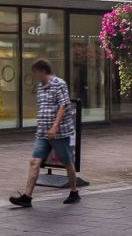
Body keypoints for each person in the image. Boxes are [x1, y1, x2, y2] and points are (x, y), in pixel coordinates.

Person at [9, 60, 80, 208]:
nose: (34, 76)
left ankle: (74, 192)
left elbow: (64, 105)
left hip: (59, 133)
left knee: (67, 162)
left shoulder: (59, 84)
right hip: (42, 133)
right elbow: (42, 107)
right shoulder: (40, 87)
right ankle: (27, 197)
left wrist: (54, 126)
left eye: (35, 72)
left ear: (42, 71)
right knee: (34, 161)